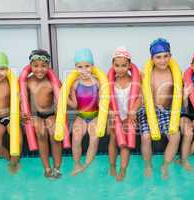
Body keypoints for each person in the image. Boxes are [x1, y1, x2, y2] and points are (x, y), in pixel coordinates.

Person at [137, 38, 180, 178]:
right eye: (158, 57)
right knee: (145, 137)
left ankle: (165, 165)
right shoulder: (147, 73)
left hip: (166, 111)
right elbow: (140, 95)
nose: (163, 60)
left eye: (166, 56)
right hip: (148, 109)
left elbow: (179, 97)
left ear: (170, 56)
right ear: (152, 58)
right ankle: (148, 165)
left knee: (175, 137)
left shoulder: (175, 73)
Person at [21, 49, 62, 178]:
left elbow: (60, 99)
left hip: (51, 114)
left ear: (48, 66)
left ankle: (57, 167)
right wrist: (21, 113)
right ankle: (47, 168)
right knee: (41, 133)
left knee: (54, 134)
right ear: (30, 66)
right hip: (36, 115)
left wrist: (58, 116)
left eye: (43, 66)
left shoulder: (52, 82)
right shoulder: (27, 82)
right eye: (36, 66)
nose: (39, 69)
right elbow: (21, 99)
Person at [108, 47, 141, 181]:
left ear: (129, 65)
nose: (120, 69)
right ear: (112, 65)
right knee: (113, 139)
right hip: (115, 115)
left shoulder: (135, 80)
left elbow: (140, 98)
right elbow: (103, 99)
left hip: (129, 116)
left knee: (125, 142)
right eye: (117, 65)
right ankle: (112, 165)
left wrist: (133, 110)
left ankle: (123, 168)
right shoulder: (110, 82)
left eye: (124, 65)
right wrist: (109, 111)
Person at [67, 48, 101, 176]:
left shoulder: (97, 83)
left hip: (94, 116)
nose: (84, 70)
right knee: (75, 139)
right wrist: (65, 99)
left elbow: (99, 105)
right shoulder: (75, 84)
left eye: (87, 66)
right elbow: (75, 105)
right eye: (80, 67)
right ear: (76, 68)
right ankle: (77, 164)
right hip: (81, 116)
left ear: (93, 66)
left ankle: (86, 164)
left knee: (94, 138)